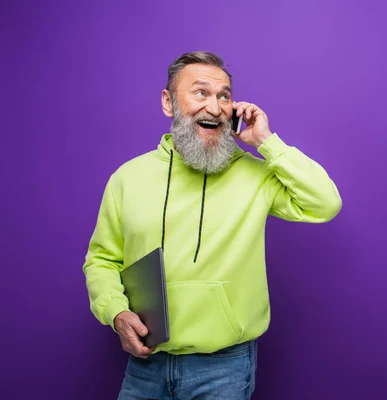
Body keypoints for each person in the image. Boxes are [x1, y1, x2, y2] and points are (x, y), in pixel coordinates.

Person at [82, 51, 342, 399]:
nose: (216, 107)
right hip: (145, 365)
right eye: (201, 92)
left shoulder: (255, 175)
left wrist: (266, 142)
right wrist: (115, 312)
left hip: (225, 368)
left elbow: (326, 202)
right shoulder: (127, 178)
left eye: (225, 95)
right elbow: (101, 261)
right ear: (168, 102)